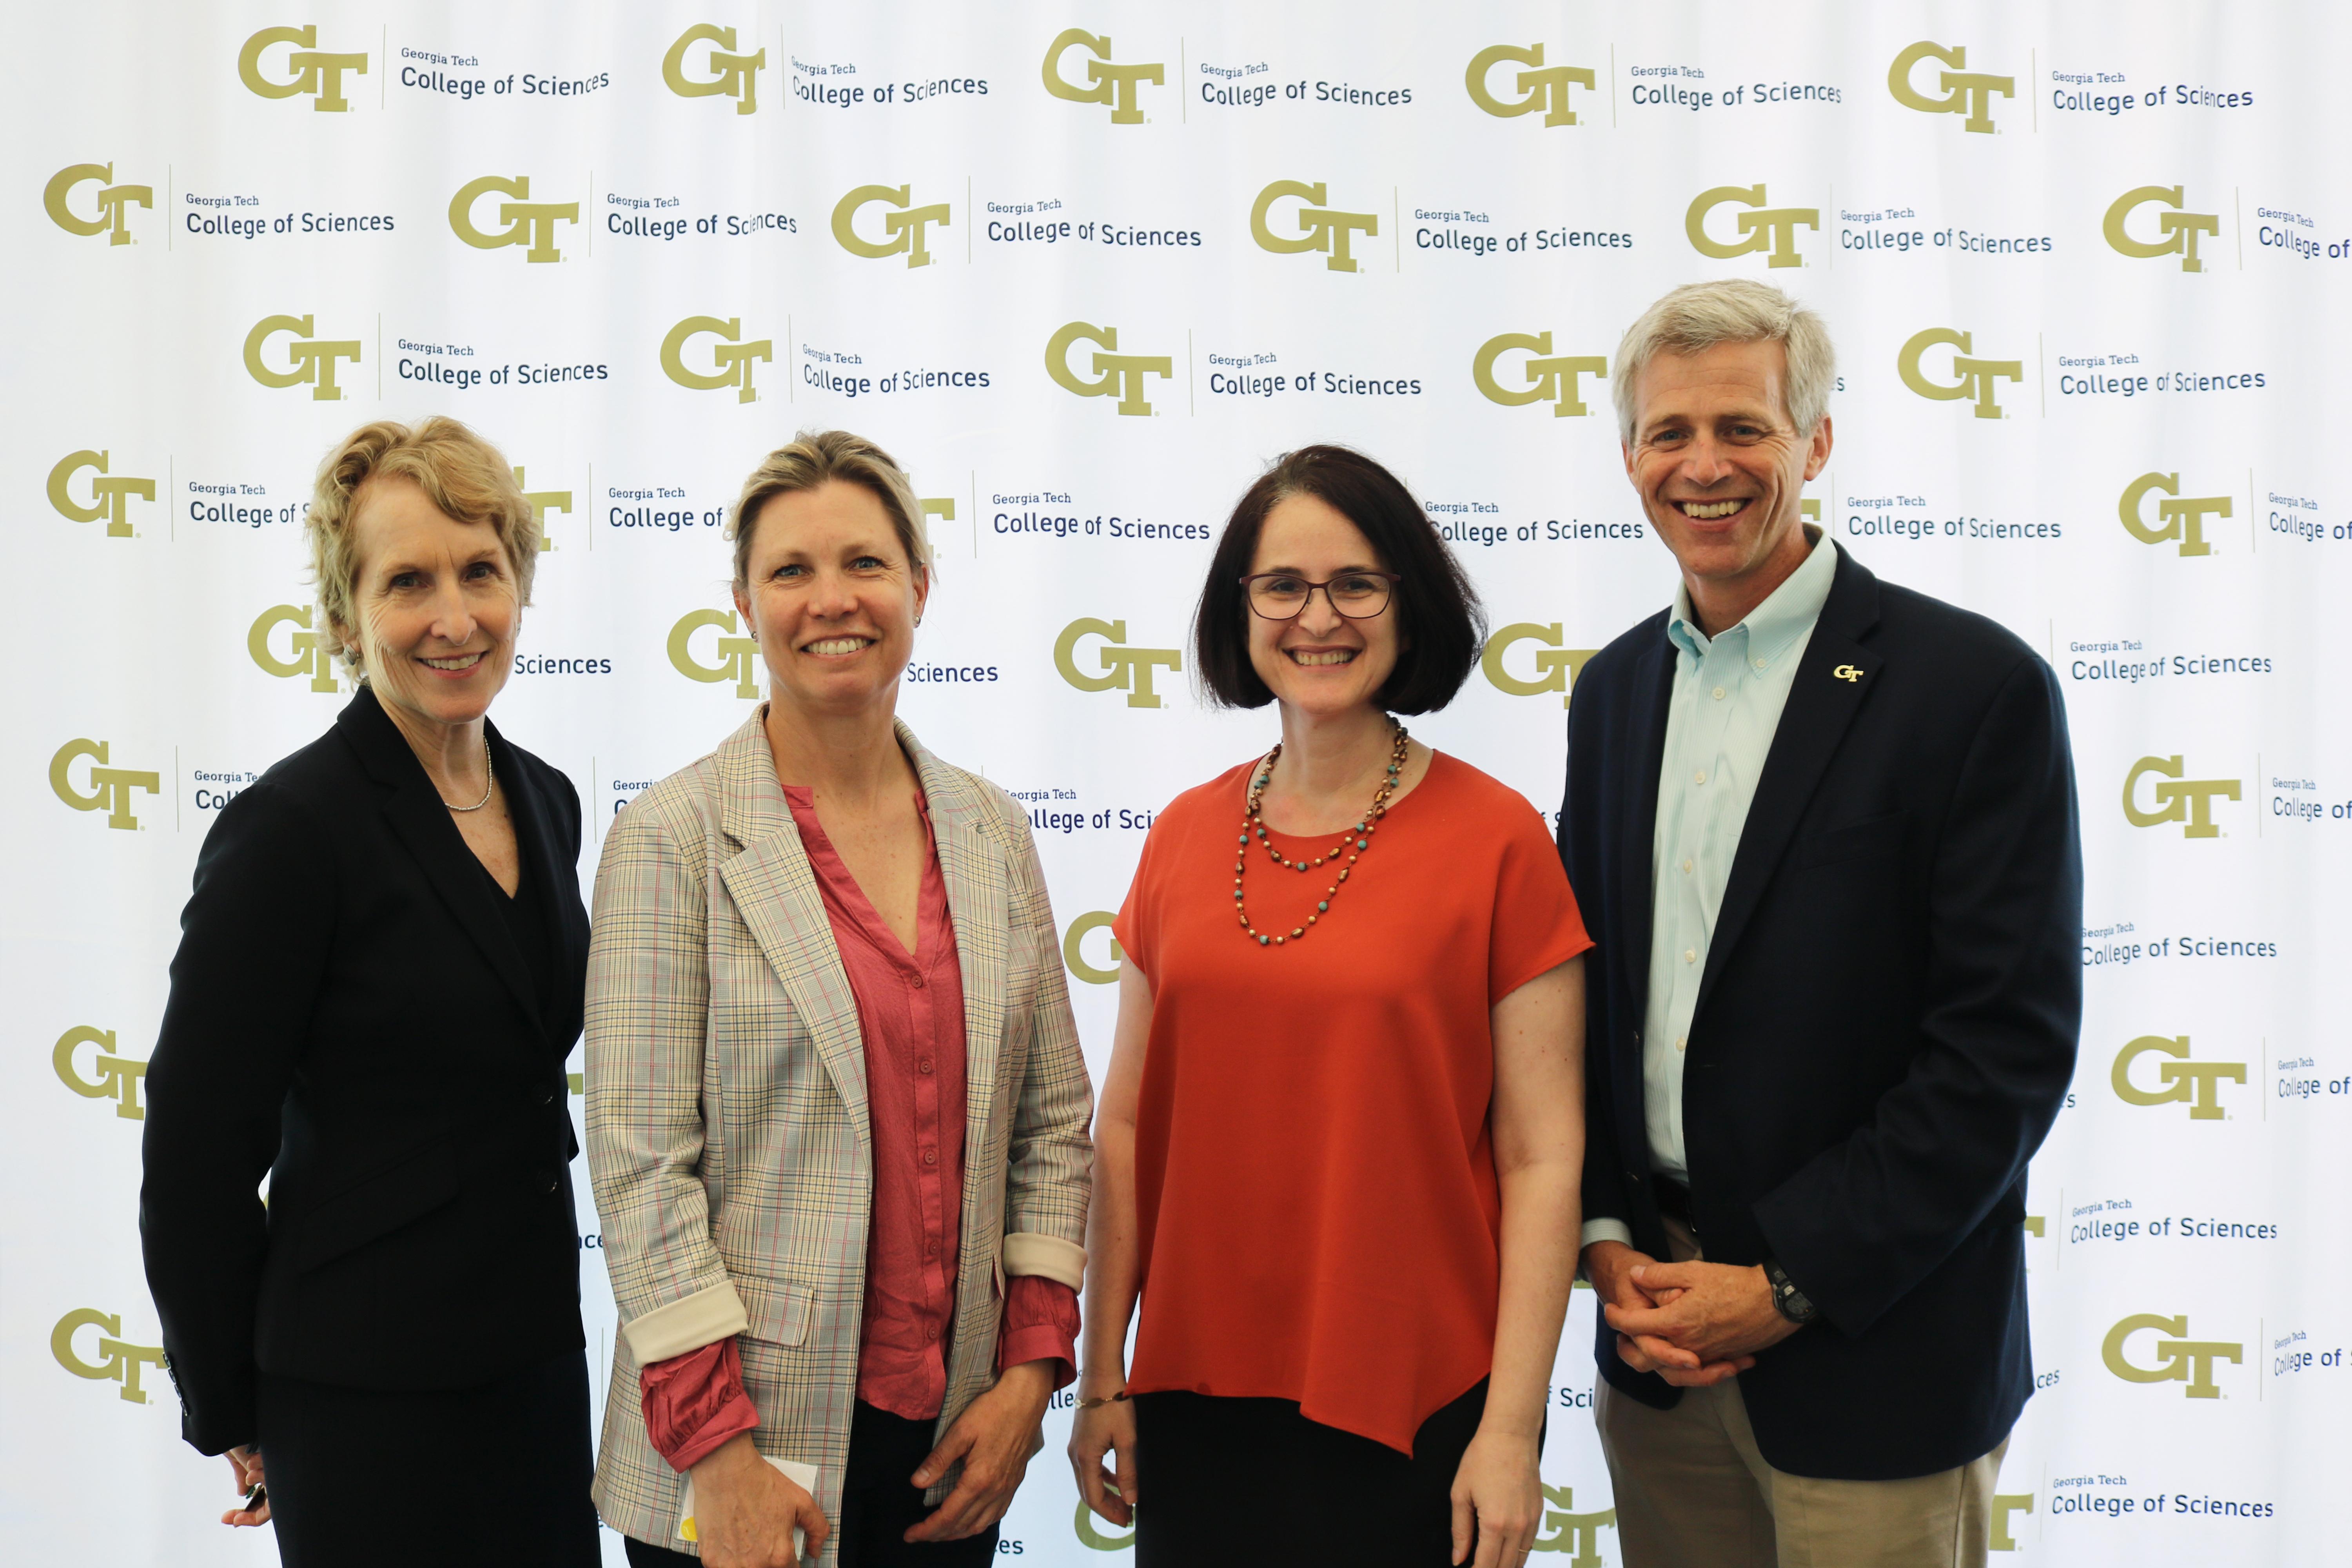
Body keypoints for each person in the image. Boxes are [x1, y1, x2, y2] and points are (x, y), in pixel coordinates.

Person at [1557, 279, 2082, 1568]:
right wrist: (1608, 1239)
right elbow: (1591, 995)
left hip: (1873, 1344)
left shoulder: (1973, 687)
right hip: (1660, 1336)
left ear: (1816, 444)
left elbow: (2002, 1051)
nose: (1705, 466)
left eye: (1744, 427)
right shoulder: (1615, 689)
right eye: (1668, 433)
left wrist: (1790, 1285)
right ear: (1630, 455)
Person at [1067, 445, 1592, 1568]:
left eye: (1358, 583)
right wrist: (1102, 1369)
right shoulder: (1181, 835)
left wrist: (1512, 1428)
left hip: (1417, 1401)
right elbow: (1124, 1128)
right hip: (1197, 1398)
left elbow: (1544, 1157)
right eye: (1283, 586)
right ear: (1239, 609)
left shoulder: (1500, 840)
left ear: (1411, 603)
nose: (1320, 618)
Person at [586, 430, 1093, 1568]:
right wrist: (717, 1454)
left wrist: (1028, 1376)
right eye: (791, 571)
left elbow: (1053, 1125)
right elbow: (639, 1170)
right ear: (743, 603)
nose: (832, 601)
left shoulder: (992, 831)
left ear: (919, 586)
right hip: (744, 1454)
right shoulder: (671, 837)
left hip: (952, 1443)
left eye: (865, 563)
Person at [139, 417, 599, 1566]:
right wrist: (232, 1405)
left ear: (520, 587)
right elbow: (193, 1156)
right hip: (360, 1405)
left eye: (481, 571)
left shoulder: (545, 800)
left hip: (537, 1374)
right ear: (348, 619)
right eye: (408, 582)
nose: (455, 617)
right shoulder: (292, 831)